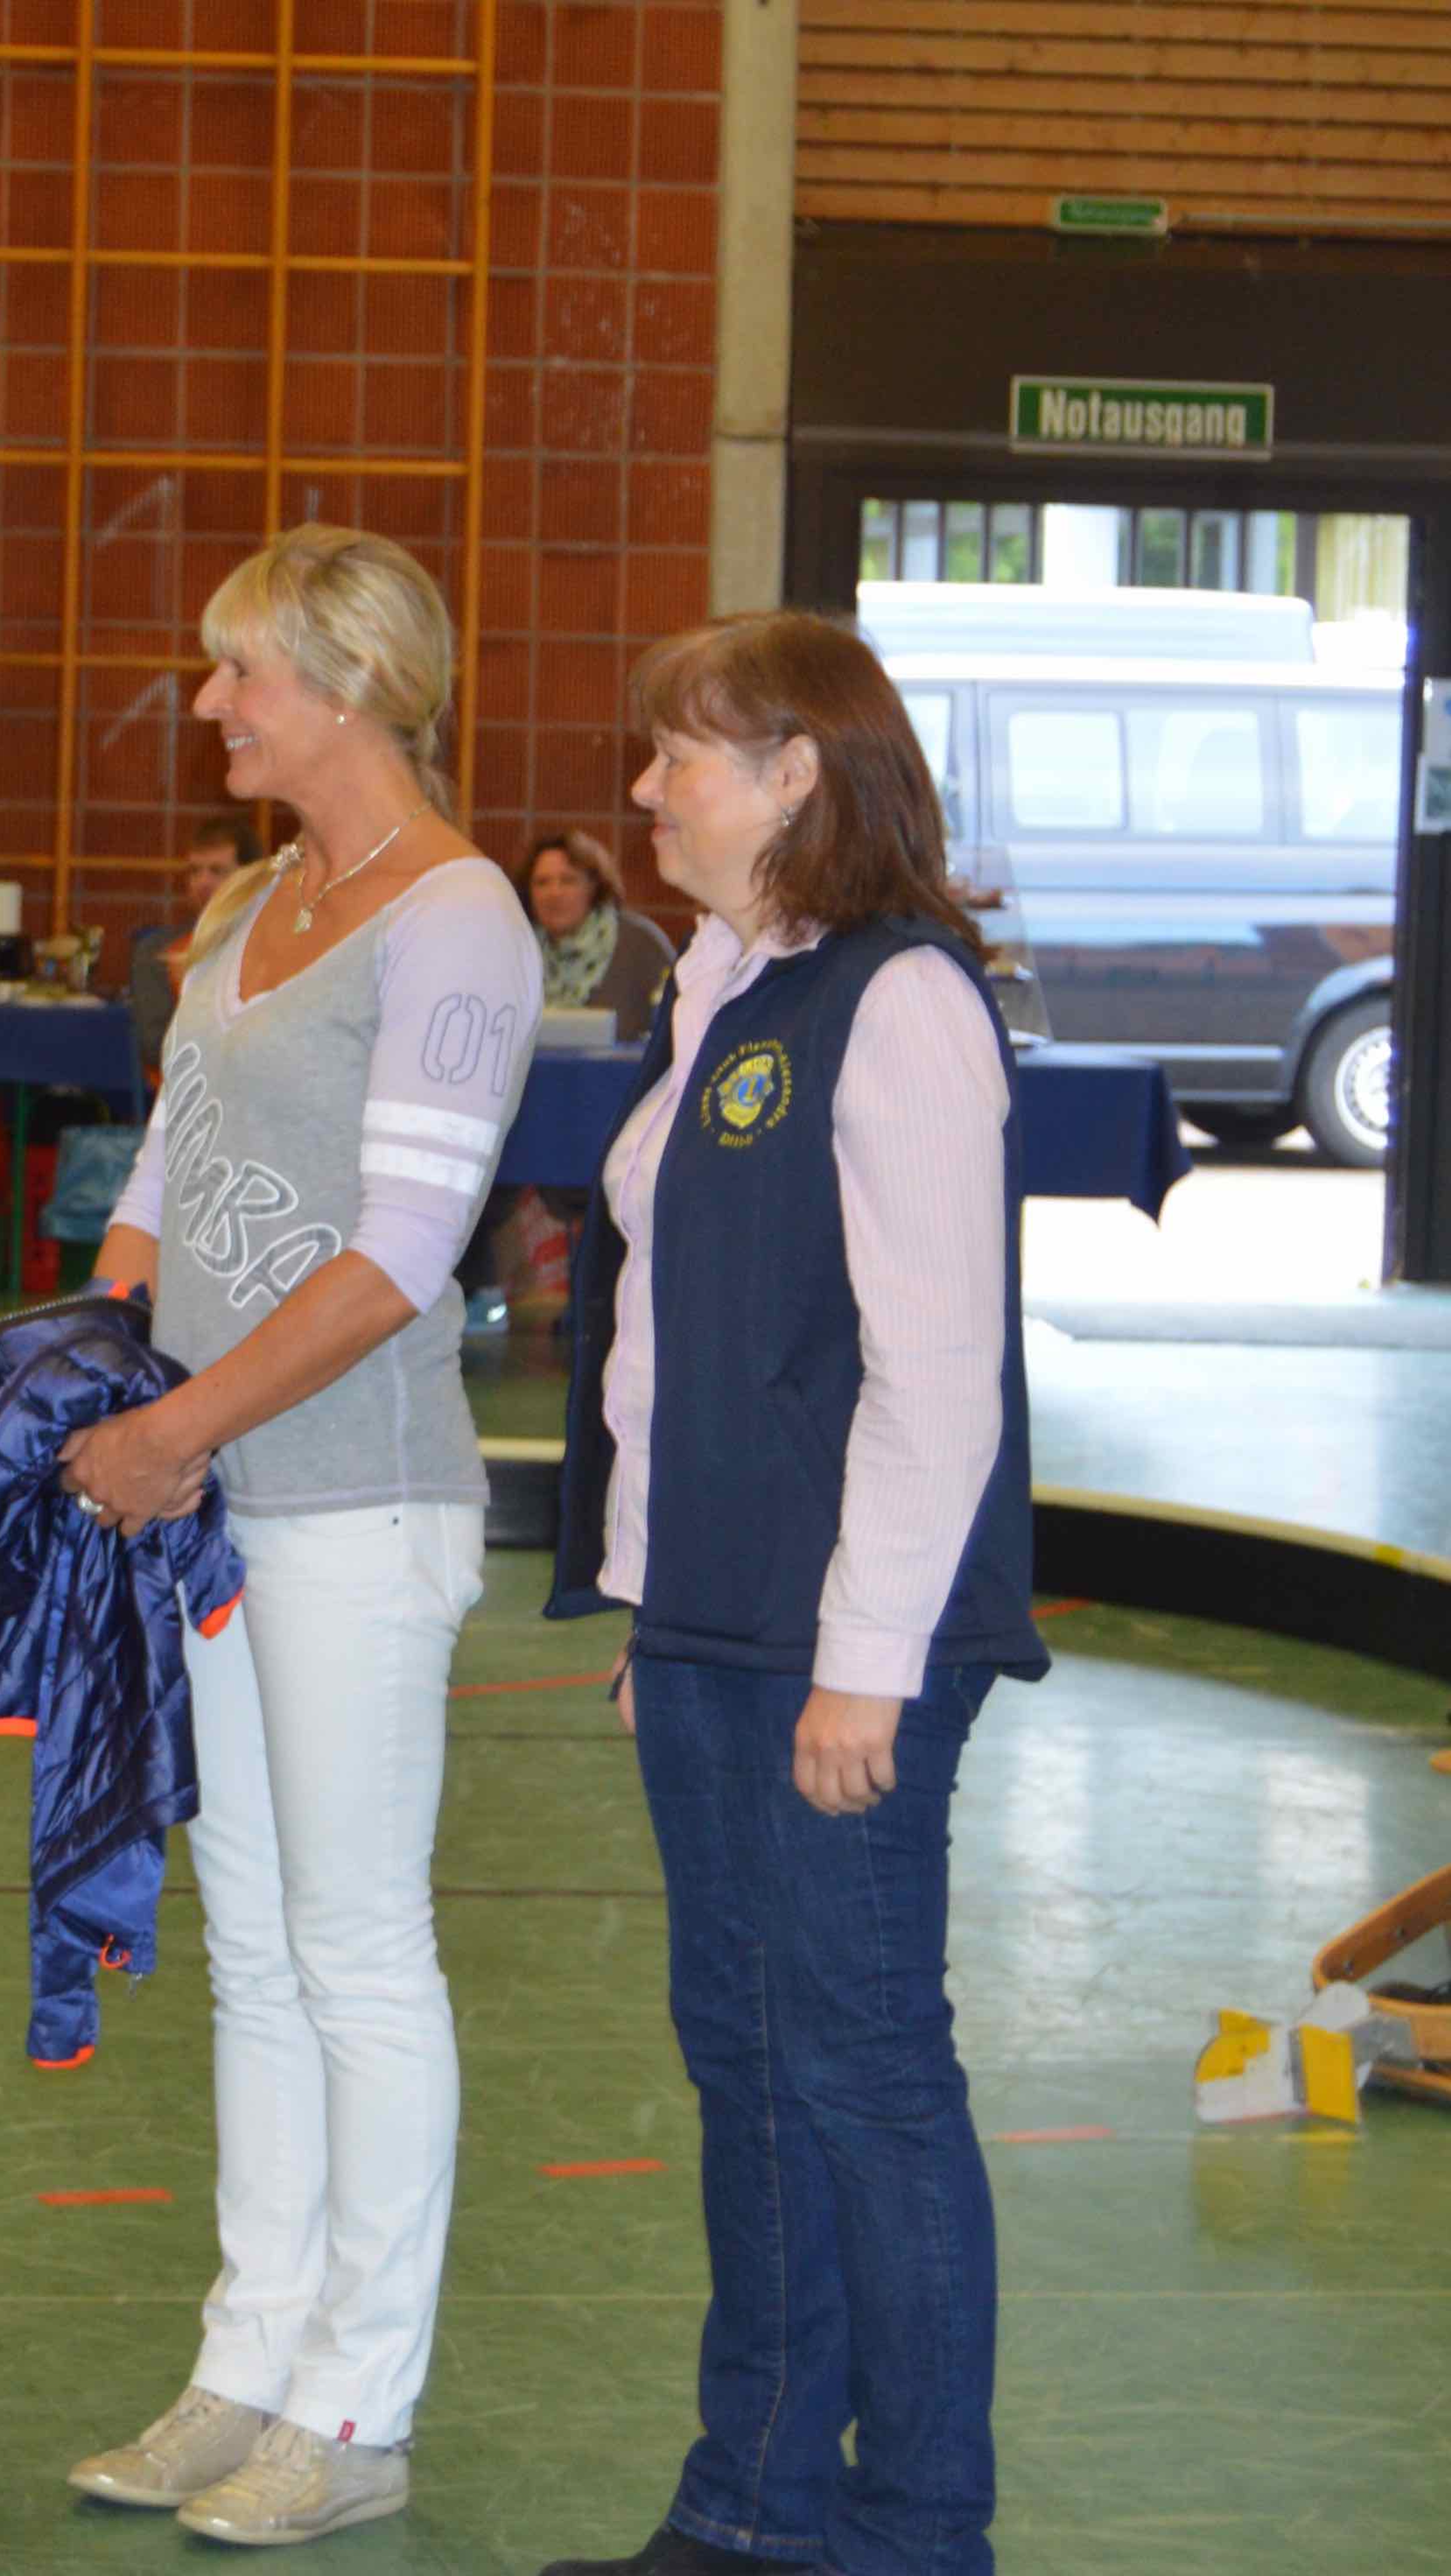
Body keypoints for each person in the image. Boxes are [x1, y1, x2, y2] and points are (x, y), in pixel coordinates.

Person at [533, 613, 1046, 2576]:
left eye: (681, 753)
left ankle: (917, 2532)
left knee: (860, 2074)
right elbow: (676, 1339)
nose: (645, 786)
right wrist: (658, 1608)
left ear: (795, 775)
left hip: (850, 1646)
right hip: (716, 1631)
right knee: (744, 2066)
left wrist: (861, 1668)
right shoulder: (723, 988)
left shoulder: (899, 1002)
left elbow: (934, 1370)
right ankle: (753, 2506)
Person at [60, 523, 541, 2546]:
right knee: (250, 1946)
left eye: (235, 671)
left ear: (339, 681)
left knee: (353, 1943)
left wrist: (173, 1420)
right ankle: (245, 2363)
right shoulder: (253, 899)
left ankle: (355, 2409)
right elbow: (164, 1159)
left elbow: (401, 1252)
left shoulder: (458, 920)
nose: (206, 705)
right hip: (203, 1494)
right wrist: (96, 1373)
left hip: (350, 1491)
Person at [130, 813, 268, 1069]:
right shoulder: (159, 953)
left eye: (217, 871)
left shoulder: (277, 946)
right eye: (194, 871)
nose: (202, 883)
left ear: (251, 878)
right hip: (186, 1090)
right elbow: (155, 1045)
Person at [522, 826, 676, 1040]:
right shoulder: (517, 950)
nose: (554, 893)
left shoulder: (641, 945)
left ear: (594, 887)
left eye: (568, 880)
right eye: (542, 882)